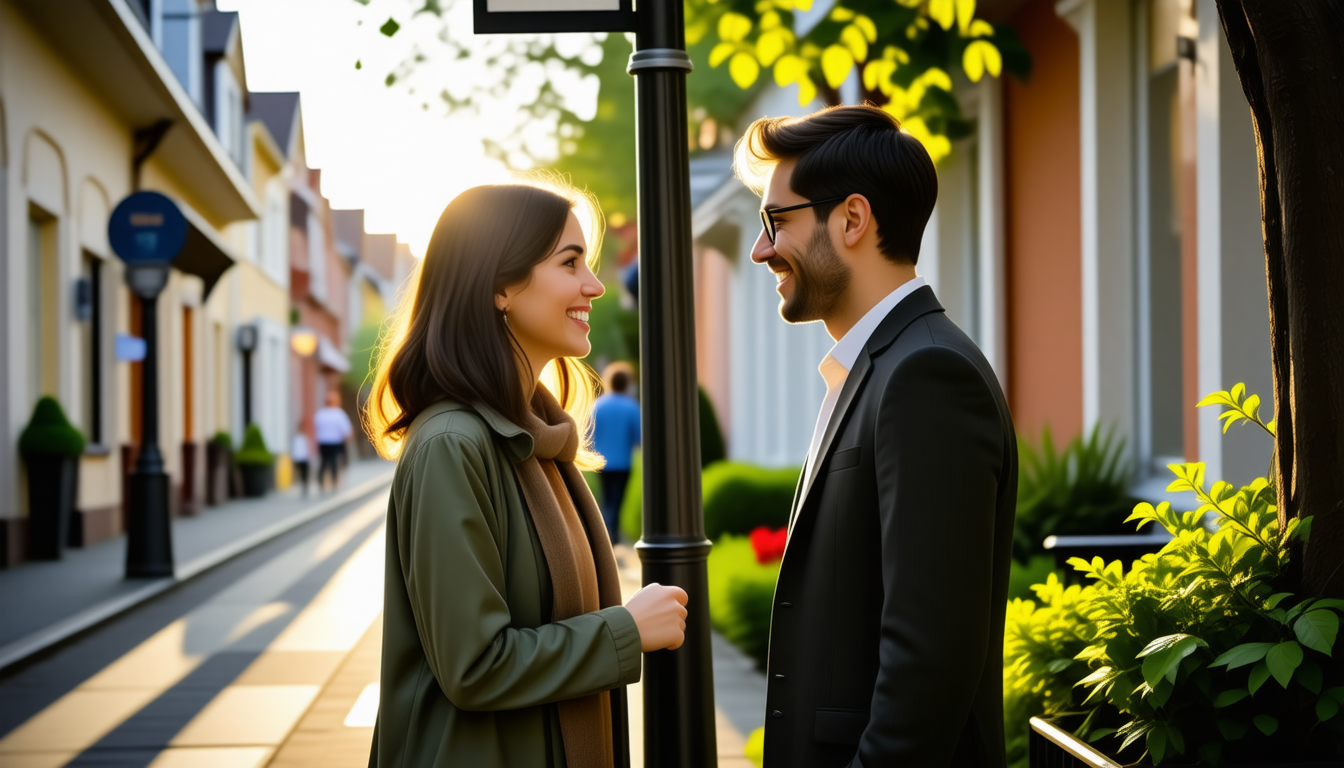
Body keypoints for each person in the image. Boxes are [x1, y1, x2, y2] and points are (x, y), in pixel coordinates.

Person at [364, 180, 690, 768]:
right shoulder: (452, 445)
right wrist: (625, 630)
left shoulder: (540, 441)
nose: (595, 286)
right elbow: (474, 667)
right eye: (570, 263)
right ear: (501, 287)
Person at [735, 105, 1018, 767]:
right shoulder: (880, 366)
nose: (761, 250)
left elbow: (929, 664)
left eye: (776, 222)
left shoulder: (926, 374)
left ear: (853, 219)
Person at [591, 361, 640, 543]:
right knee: (617, 502)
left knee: (606, 500)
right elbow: (639, 438)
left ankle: (606, 537)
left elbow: (588, 435)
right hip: (622, 463)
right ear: (627, 383)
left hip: (601, 462)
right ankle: (612, 538)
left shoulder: (598, 405)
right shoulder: (631, 407)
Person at [314, 391, 352, 492]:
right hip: (335, 441)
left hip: (323, 442)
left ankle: (321, 482)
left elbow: (316, 428)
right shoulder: (339, 413)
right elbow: (346, 430)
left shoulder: (320, 414)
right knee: (334, 462)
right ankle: (334, 482)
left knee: (324, 462)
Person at [290, 422, 311, 496]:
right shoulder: (297, 438)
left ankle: (304, 485)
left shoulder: (303, 437)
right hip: (299, 458)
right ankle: (301, 484)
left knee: (304, 473)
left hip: (303, 458)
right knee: (301, 473)